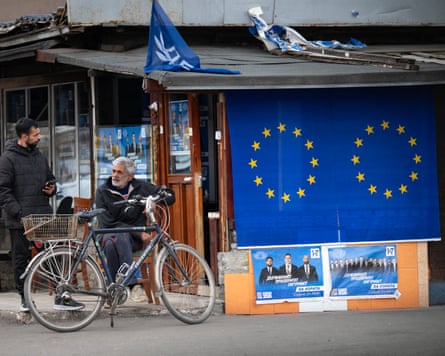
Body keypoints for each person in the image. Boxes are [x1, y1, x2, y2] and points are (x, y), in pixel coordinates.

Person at [0, 118, 82, 312]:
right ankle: (25, 298)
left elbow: (49, 178)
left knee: (55, 255)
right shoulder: (7, 159)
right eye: (36, 134)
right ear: (24, 136)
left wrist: (51, 188)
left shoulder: (38, 155)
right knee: (21, 259)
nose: (39, 137)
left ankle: (62, 296)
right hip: (20, 220)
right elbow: (3, 191)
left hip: (42, 215)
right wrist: (18, 213)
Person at [95, 156, 175, 297]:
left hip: (132, 241)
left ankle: (113, 289)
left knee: (115, 240)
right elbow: (108, 223)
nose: (115, 175)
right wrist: (137, 233)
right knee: (113, 239)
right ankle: (131, 284)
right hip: (108, 233)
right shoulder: (103, 191)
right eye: (113, 171)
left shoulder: (141, 188)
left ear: (130, 176)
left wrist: (154, 200)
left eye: (120, 172)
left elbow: (170, 195)